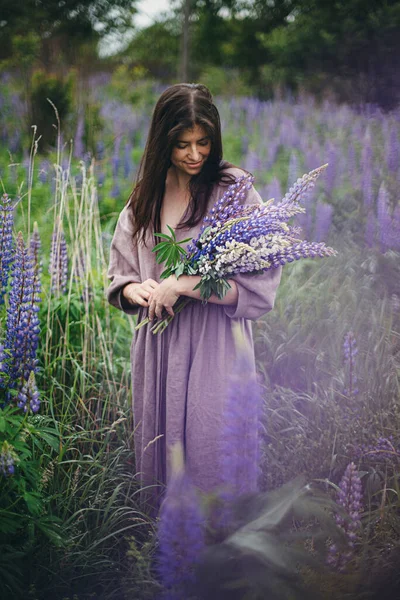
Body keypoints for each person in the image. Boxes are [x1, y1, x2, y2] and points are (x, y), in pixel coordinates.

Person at [106, 83, 282, 516]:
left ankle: (220, 557)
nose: (194, 154)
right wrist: (136, 289)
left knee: (212, 448)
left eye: (203, 142)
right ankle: (165, 555)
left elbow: (260, 287)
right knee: (162, 456)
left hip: (216, 345)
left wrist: (185, 283)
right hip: (159, 345)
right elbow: (120, 274)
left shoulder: (236, 192)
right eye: (182, 144)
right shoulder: (145, 195)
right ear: (163, 140)